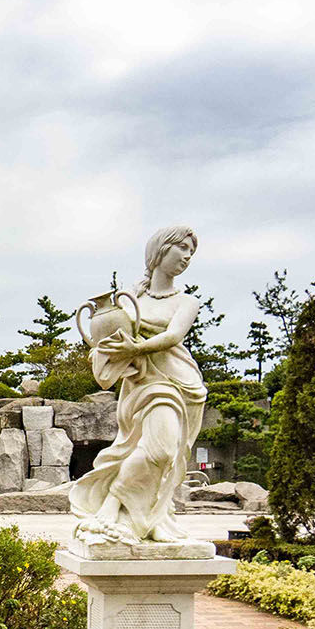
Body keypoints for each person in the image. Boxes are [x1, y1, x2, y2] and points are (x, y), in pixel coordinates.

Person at [68, 225, 208, 544]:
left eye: (192, 252)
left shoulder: (187, 301)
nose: (187, 256)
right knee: (156, 450)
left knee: (165, 454)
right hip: (142, 387)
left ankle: (143, 514)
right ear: (160, 251)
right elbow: (112, 342)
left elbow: (172, 337)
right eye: (182, 248)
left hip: (180, 385)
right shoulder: (131, 299)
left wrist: (136, 348)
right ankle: (118, 507)